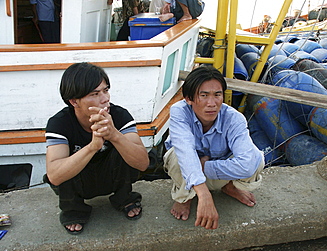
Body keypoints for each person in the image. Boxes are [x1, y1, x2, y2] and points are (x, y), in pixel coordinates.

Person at [44, 62, 149, 235]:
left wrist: (114, 135)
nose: (105, 98)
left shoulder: (120, 115)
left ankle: (124, 198)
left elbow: (143, 163)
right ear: (74, 101)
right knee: (66, 162)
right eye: (95, 93)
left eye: (105, 90)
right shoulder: (59, 123)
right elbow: (54, 176)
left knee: (125, 146)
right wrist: (93, 147)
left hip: (112, 174)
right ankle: (74, 209)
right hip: (80, 180)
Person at [163, 66, 265, 230]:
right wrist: (204, 195)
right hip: (185, 169)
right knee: (177, 155)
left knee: (255, 158)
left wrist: (203, 166)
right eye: (203, 96)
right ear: (189, 98)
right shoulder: (179, 111)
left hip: (214, 168)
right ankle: (185, 197)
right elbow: (185, 150)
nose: (212, 103)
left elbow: (247, 163)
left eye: (217, 95)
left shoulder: (234, 118)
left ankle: (228, 186)